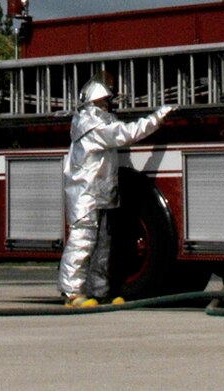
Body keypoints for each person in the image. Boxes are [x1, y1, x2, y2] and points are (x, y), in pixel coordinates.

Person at [58, 78, 173, 306]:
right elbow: (126, 133)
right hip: (86, 195)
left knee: (102, 244)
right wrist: (157, 118)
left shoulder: (95, 124)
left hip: (99, 193)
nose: (107, 107)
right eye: (103, 102)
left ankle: (99, 291)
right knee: (82, 242)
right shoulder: (91, 124)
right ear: (93, 103)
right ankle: (71, 292)